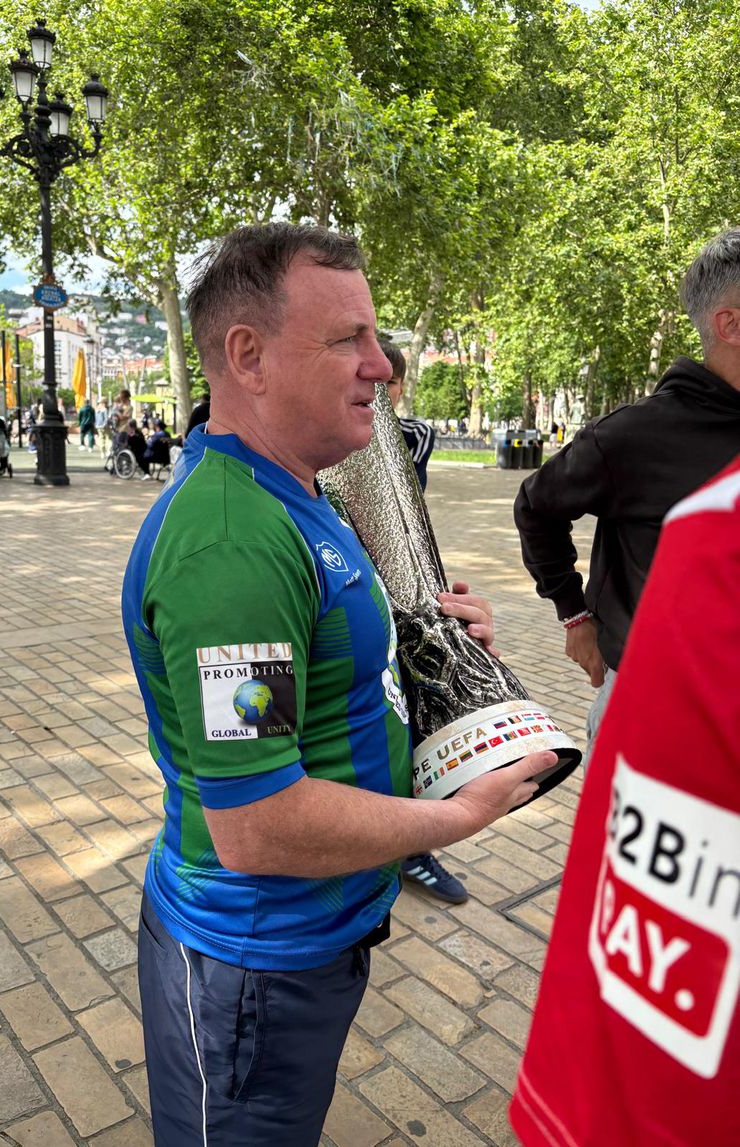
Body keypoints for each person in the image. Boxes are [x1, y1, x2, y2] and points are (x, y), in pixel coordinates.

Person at [122, 222, 556, 1147]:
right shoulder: (234, 542)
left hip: (314, 941)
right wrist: (460, 817)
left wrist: (432, 646)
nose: (384, 364)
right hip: (250, 972)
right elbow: (259, 824)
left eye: (375, 334)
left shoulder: (303, 490)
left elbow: (321, 673)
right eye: (347, 338)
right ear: (249, 356)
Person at [509, 454, 740, 1147]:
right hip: (646, 690)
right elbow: (537, 503)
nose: (373, 365)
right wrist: (574, 615)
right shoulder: (712, 533)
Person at [514, 227, 740, 756]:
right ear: (730, 324)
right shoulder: (634, 436)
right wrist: (574, 616)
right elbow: (536, 506)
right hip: (658, 719)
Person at [379, 340, 468, 904]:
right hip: (342, 582)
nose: (377, 393)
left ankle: (412, 844)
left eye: (388, 384)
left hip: (401, 586)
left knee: (408, 704)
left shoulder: (413, 435)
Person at [380, 342, 435, 490]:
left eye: (390, 382)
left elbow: (410, 493)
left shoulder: (417, 434)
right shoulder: (342, 433)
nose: (381, 390)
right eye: (375, 381)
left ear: (401, 389)